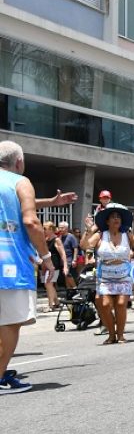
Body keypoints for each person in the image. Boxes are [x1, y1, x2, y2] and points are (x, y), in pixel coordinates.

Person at [0, 141, 54, 395]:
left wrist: (51, 201)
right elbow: (31, 221)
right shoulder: (21, 182)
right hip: (8, 266)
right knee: (10, 323)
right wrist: (45, 256)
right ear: (19, 162)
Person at [81, 203, 134, 344]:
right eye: (113, 217)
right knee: (105, 304)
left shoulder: (127, 234)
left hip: (123, 275)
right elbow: (84, 245)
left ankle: (120, 335)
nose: (116, 219)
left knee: (121, 304)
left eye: (118, 217)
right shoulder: (100, 235)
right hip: (105, 277)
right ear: (107, 221)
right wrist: (88, 230)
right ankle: (111, 333)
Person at [41, 221, 69, 311]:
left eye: (45, 228)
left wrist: (65, 266)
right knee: (49, 285)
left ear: (51, 229)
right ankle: (56, 302)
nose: (43, 230)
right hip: (46, 265)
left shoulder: (56, 240)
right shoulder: (46, 239)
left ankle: (50, 305)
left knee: (48, 283)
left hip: (54, 265)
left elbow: (63, 254)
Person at [58, 221, 80, 289]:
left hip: (69, 259)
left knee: (67, 274)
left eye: (62, 228)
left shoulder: (71, 237)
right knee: (65, 275)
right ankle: (69, 291)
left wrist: (74, 260)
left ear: (66, 228)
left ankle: (75, 289)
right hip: (62, 259)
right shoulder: (60, 237)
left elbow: (75, 248)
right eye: (59, 227)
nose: (60, 229)